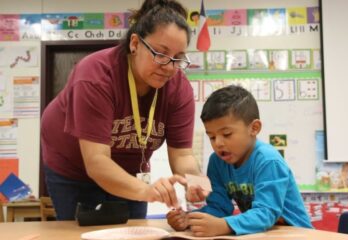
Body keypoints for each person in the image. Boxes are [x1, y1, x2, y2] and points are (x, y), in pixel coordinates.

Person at [40, 0, 206, 220]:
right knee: (81, 231)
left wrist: (197, 184)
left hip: (129, 169)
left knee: (134, 230)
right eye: (160, 53)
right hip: (75, 166)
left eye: (177, 58)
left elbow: (183, 154)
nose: (169, 67)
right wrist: (147, 191)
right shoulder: (96, 76)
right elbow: (97, 162)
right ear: (135, 43)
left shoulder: (179, 88)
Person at [167, 85, 312, 237]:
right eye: (212, 137)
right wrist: (190, 219)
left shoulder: (268, 161)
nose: (218, 143)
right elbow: (219, 207)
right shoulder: (217, 162)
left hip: (298, 234)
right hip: (263, 234)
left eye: (227, 134)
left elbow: (266, 213)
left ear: (254, 128)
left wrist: (225, 225)